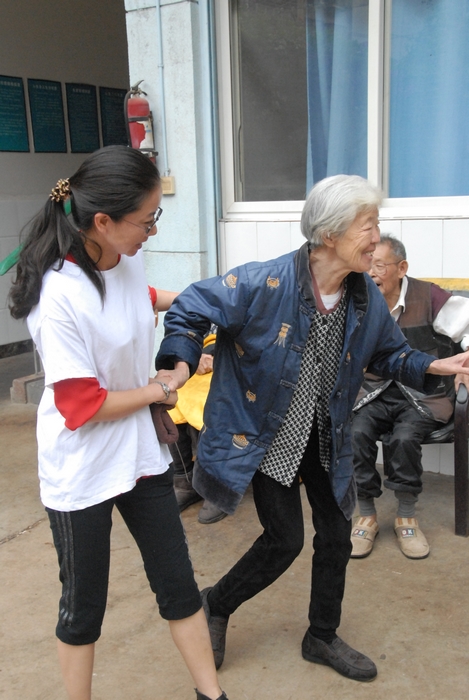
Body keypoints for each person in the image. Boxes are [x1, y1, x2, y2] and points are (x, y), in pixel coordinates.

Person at [153, 174, 469, 683]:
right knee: (284, 541)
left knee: (337, 534)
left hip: (326, 433)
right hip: (266, 435)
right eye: (368, 226)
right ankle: (216, 603)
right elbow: (191, 306)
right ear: (329, 233)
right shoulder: (262, 283)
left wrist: (437, 365)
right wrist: (181, 363)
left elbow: (390, 354)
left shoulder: (363, 296)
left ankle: (321, 634)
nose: (377, 238)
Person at [8, 146, 228, 700]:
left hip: (140, 457)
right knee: (83, 607)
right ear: (103, 222)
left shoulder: (125, 258)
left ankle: (212, 694)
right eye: (146, 220)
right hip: (82, 470)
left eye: (157, 216)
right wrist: (164, 387)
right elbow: (81, 406)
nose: (153, 230)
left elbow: (138, 299)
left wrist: (205, 299)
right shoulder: (57, 295)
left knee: (178, 585)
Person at [350, 235, 469, 559]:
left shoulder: (428, 296)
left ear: (401, 268)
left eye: (379, 265)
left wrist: (464, 363)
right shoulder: (358, 298)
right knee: (355, 433)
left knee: (404, 438)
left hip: (422, 394)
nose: (371, 273)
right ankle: (366, 514)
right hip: (372, 393)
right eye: (367, 264)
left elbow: (467, 326)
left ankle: (406, 516)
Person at [169, 329, 227, 524]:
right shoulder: (200, 309)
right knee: (173, 400)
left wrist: (220, 358)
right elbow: (183, 331)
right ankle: (184, 480)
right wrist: (191, 357)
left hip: (235, 360)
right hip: (202, 357)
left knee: (208, 404)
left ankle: (215, 485)